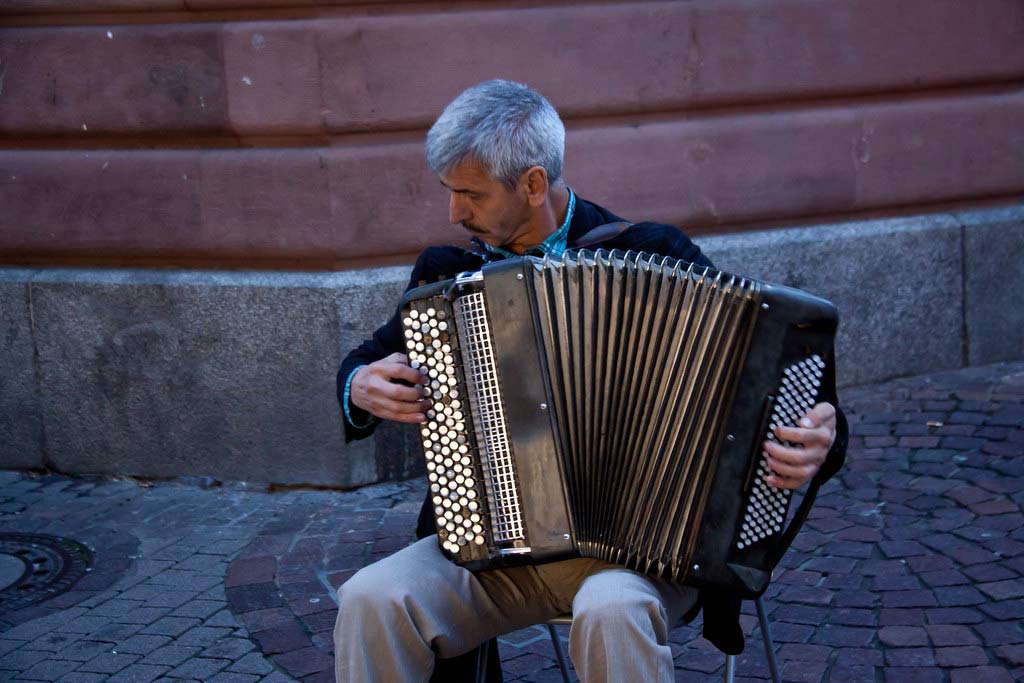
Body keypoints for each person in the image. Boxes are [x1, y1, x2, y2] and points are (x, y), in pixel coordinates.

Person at [333, 79, 847, 683]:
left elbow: (788, 391)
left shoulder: (653, 253)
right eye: (450, 193)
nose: (454, 213)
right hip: (495, 548)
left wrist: (818, 438)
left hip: (646, 557)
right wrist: (360, 385)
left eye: (470, 194)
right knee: (372, 598)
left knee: (612, 609)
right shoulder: (450, 277)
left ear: (531, 184)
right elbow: (366, 361)